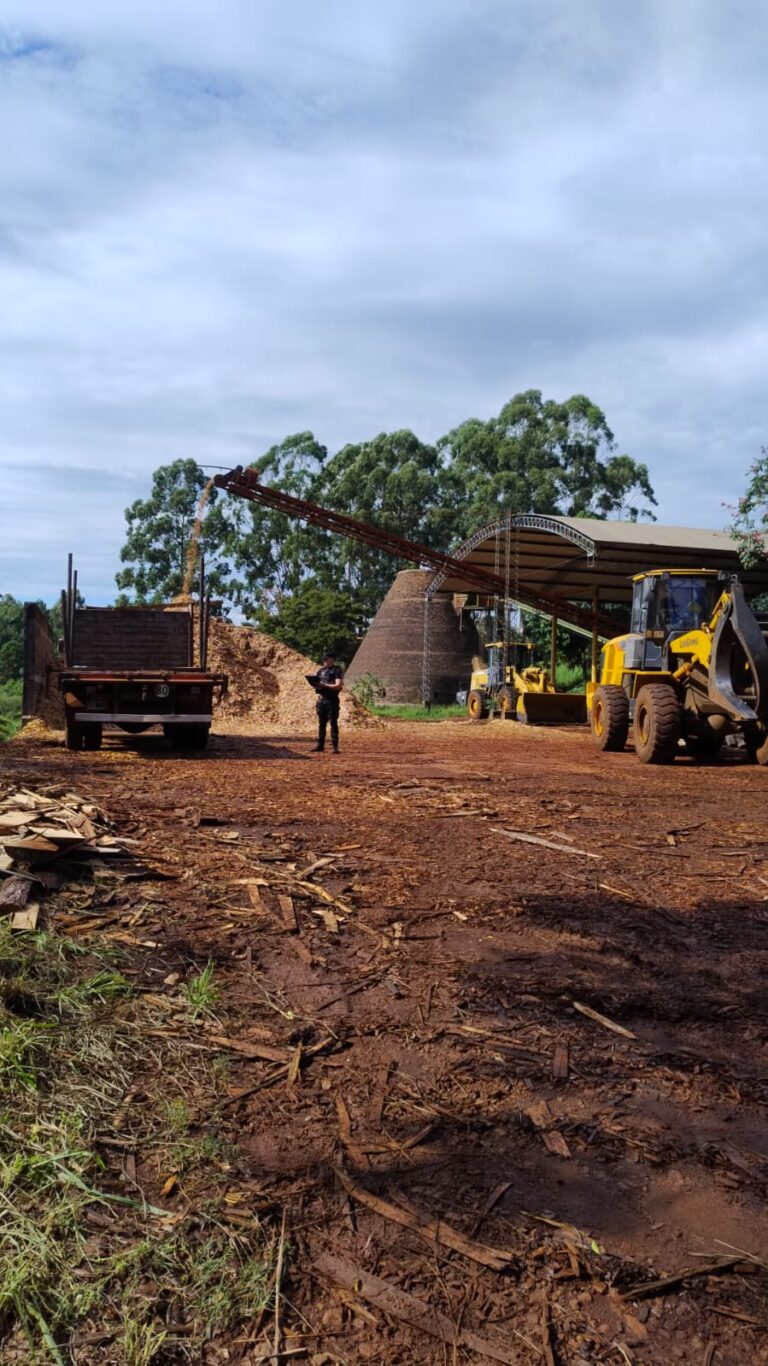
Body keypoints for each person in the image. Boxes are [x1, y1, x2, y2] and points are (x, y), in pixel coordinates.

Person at [313, 651, 344, 753]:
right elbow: (316, 682)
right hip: (322, 700)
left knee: (333, 722)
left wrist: (325, 685)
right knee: (321, 724)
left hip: (332, 700)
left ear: (332, 659)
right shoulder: (321, 671)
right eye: (324, 659)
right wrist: (316, 685)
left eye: (327, 659)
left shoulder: (336, 670)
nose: (325, 661)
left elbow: (338, 685)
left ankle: (335, 746)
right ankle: (320, 745)